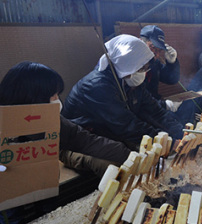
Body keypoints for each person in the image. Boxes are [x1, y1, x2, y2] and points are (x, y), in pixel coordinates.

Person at [0, 61, 131, 178]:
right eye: (52, 95)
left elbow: (84, 140)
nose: (57, 100)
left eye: (57, 94)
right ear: (32, 97)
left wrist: (130, 157)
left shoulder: (50, 119)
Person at [62, 34, 184, 150]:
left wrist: (181, 132)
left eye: (146, 68)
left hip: (107, 131)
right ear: (127, 64)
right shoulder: (97, 86)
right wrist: (167, 142)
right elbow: (126, 124)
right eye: (141, 68)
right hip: (80, 139)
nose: (144, 72)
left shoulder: (128, 82)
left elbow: (155, 111)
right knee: (128, 156)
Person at [139, 25, 181, 112]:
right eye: (153, 48)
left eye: (159, 51)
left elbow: (171, 79)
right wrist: (165, 105)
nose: (156, 54)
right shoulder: (130, 65)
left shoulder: (154, 63)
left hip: (154, 108)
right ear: (141, 42)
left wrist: (172, 63)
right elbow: (138, 100)